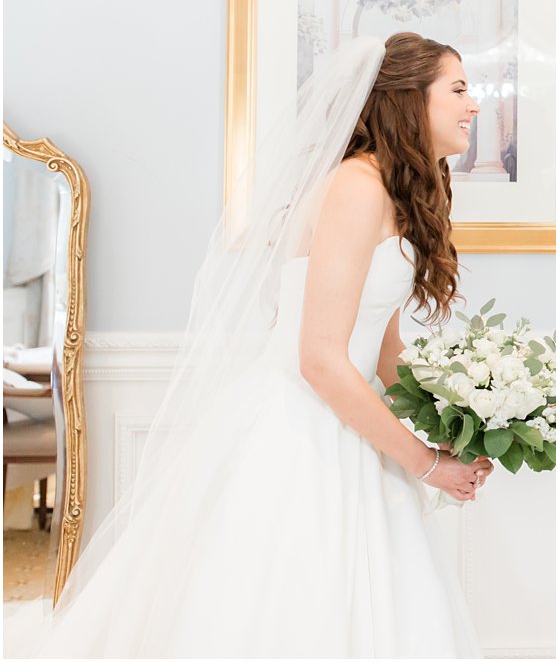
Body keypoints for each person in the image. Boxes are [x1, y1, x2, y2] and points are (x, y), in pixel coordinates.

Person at [33, 33, 490, 657]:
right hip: (304, 427)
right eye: (459, 89)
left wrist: (465, 417)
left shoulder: (393, 190)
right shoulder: (356, 187)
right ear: (408, 100)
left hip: (357, 424)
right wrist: (423, 463)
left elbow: (383, 346)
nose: (476, 106)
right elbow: (321, 359)